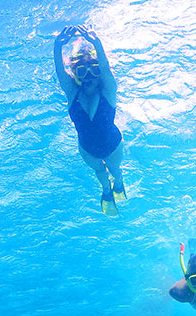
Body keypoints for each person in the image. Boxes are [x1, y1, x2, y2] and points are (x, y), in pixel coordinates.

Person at [53, 25, 126, 216]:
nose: (88, 77)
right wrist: (57, 47)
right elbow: (61, 73)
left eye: (93, 71)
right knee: (100, 173)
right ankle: (106, 190)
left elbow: (105, 69)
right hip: (87, 150)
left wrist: (97, 43)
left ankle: (118, 184)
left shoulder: (108, 91)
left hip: (113, 146)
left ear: (99, 73)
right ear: (75, 75)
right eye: (82, 72)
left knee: (114, 170)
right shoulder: (72, 93)